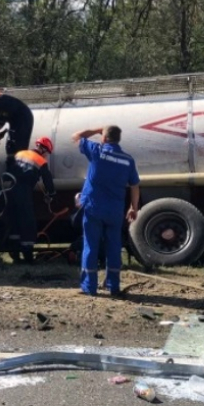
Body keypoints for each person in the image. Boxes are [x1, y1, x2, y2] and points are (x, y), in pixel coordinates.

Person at [71, 125, 140, 296]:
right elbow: (135, 185)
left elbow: (76, 135)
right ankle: (113, 286)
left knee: (91, 246)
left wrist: (96, 130)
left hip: (94, 207)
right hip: (115, 210)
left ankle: (90, 287)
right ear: (118, 139)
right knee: (114, 247)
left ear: (104, 138)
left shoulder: (96, 151)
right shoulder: (128, 160)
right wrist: (133, 207)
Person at [6, 136, 56, 264]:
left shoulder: (20, 153)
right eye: (47, 154)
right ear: (44, 150)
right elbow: (47, 180)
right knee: (28, 222)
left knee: (15, 221)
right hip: (24, 191)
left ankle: (14, 253)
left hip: (10, 190)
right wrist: (51, 193)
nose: (46, 156)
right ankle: (28, 256)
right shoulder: (40, 160)